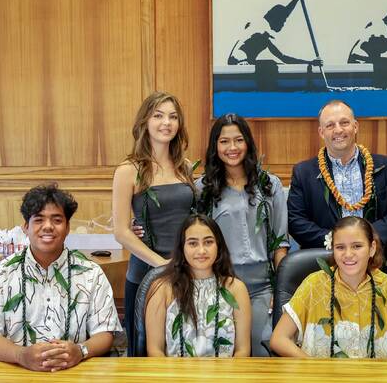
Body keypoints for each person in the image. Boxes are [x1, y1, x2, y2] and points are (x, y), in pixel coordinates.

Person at [0, 184, 121, 371]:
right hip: (15, 370)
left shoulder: (91, 274)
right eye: (39, 220)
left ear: (67, 227)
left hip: (75, 371)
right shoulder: (1, 273)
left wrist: (81, 351)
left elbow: (105, 333)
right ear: (26, 227)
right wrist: (20, 355)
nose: (48, 227)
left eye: (57, 220)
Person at [287, 99, 387, 304]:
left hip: (383, 265)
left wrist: (367, 241)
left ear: (355, 126)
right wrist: (338, 244)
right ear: (321, 132)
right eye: (330, 125)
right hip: (326, 269)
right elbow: (296, 221)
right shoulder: (304, 173)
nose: (338, 130)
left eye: (344, 123)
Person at [196, 113, 289, 356]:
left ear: (248, 142)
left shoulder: (269, 185)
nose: (232, 147)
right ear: (215, 146)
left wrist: (279, 291)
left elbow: (280, 243)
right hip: (220, 284)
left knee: (261, 353)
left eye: (238, 140)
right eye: (224, 141)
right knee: (223, 354)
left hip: (263, 288)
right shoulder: (203, 189)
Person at [270, 216, 387, 358]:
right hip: (323, 376)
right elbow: (278, 339)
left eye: (357, 246)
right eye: (340, 247)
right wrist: (311, 365)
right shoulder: (314, 284)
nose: (348, 254)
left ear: (372, 248)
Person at [112, 91, 196, 355]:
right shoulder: (128, 170)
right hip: (146, 274)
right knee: (145, 353)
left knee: (183, 346)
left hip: (186, 271)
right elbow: (121, 232)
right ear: (145, 122)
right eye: (158, 116)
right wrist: (163, 265)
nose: (166, 123)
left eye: (173, 117)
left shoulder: (185, 167)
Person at [145, 214, 251, 357]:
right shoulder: (162, 289)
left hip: (226, 371)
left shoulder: (236, 289)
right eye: (193, 243)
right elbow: (154, 351)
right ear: (182, 247)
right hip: (174, 371)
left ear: (218, 245)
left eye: (208, 242)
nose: (201, 251)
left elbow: (243, 351)